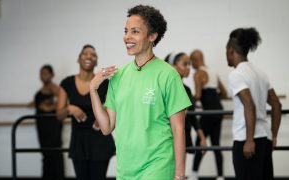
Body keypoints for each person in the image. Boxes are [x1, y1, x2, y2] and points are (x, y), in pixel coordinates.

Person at [89, 5, 191, 180]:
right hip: (125, 169)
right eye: (126, 31)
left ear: (152, 36)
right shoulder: (118, 76)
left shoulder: (168, 75)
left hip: (158, 165)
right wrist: (93, 90)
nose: (127, 37)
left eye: (135, 31)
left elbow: (178, 129)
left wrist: (180, 175)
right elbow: (106, 127)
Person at [226, 27, 281, 180]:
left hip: (247, 141)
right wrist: (274, 136)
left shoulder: (236, 75)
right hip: (265, 139)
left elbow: (249, 105)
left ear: (231, 50)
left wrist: (249, 140)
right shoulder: (261, 73)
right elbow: (277, 105)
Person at [57, 44, 115, 180]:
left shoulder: (104, 83)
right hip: (79, 141)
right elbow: (59, 115)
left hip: (100, 141)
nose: (89, 56)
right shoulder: (67, 83)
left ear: (96, 61)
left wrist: (103, 115)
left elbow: (112, 108)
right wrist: (69, 108)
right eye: (85, 53)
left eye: (93, 55)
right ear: (79, 59)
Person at [190, 49, 227, 180]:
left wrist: (188, 101)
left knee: (200, 142)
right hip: (219, 111)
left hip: (208, 113)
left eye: (191, 61)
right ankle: (220, 176)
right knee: (216, 144)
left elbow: (198, 95)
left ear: (195, 59)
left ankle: (193, 175)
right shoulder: (213, 72)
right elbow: (224, 93)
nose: (191, 65)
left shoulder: (198, 74)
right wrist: (212, 98)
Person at [165, 52, 207, 154]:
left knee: (180, 169)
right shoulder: (166, 88)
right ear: (173, 66)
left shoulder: (187, 90)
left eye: (189, 64)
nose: (188, 67)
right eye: (185, 64)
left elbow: (193, 117)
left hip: (184, 136)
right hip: (169, 139)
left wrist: (202, 138)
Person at [30, 64, 64, 180]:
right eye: (41, 73)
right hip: (42, 127)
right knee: (46, 154)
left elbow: (63, 102)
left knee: (55, 153)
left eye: (45, 73)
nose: (43, 76)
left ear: (52, 75)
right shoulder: (41, 91)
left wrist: (49, 108)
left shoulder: (55, 88)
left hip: (52, 127)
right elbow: (41, 102)